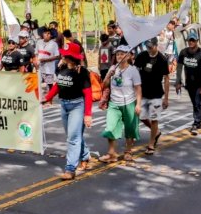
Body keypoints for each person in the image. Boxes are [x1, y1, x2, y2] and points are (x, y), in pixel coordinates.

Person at [42, 42, 93, 180]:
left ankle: (70, 169)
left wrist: (88, 114)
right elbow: (58, 85)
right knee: (73, 135)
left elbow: (88, 94)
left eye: (66, 55)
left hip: (77, 106)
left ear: (72, 57)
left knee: (72, 137)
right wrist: (47, 98)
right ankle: (85, 155)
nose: (63, 56)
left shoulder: (82, 72)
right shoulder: (62, 67)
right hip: (64, 105)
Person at [100, 45, 142, 163]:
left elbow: (138, 88)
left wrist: (138, 104)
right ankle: (111, 153)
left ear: (128, 56)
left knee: (130, 128)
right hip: (114, 103)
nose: (120, 56)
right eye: (118, 54)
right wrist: (109, 75)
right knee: (110, 127)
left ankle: (128, 151)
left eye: (122, 54)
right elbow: (105, 84)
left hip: (129, 102)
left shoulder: (133, 71)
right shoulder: (113, 68)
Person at [134, 38, 170, 155]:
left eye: (151, 46)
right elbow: (134, 71)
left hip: (156, 93)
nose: (149, 49)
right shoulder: (141, 56)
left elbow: (166, 79)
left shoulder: (162, 59)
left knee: (154, 118)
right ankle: (156, 132)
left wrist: (166, 98)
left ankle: (151, 143)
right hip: (143, 92)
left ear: (156, 46)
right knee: (142, 116)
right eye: (147, 46)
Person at [176, 31, 201, 135]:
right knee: (194, 102)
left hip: (199, 84)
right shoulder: (183, 53)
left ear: (197, 41)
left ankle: (196, 123)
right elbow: (179, 67)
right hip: (189, 83)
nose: (191, 42)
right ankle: (198, 121)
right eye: (189, 40)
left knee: (196, 102)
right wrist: (178, 81)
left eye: (193, 40)